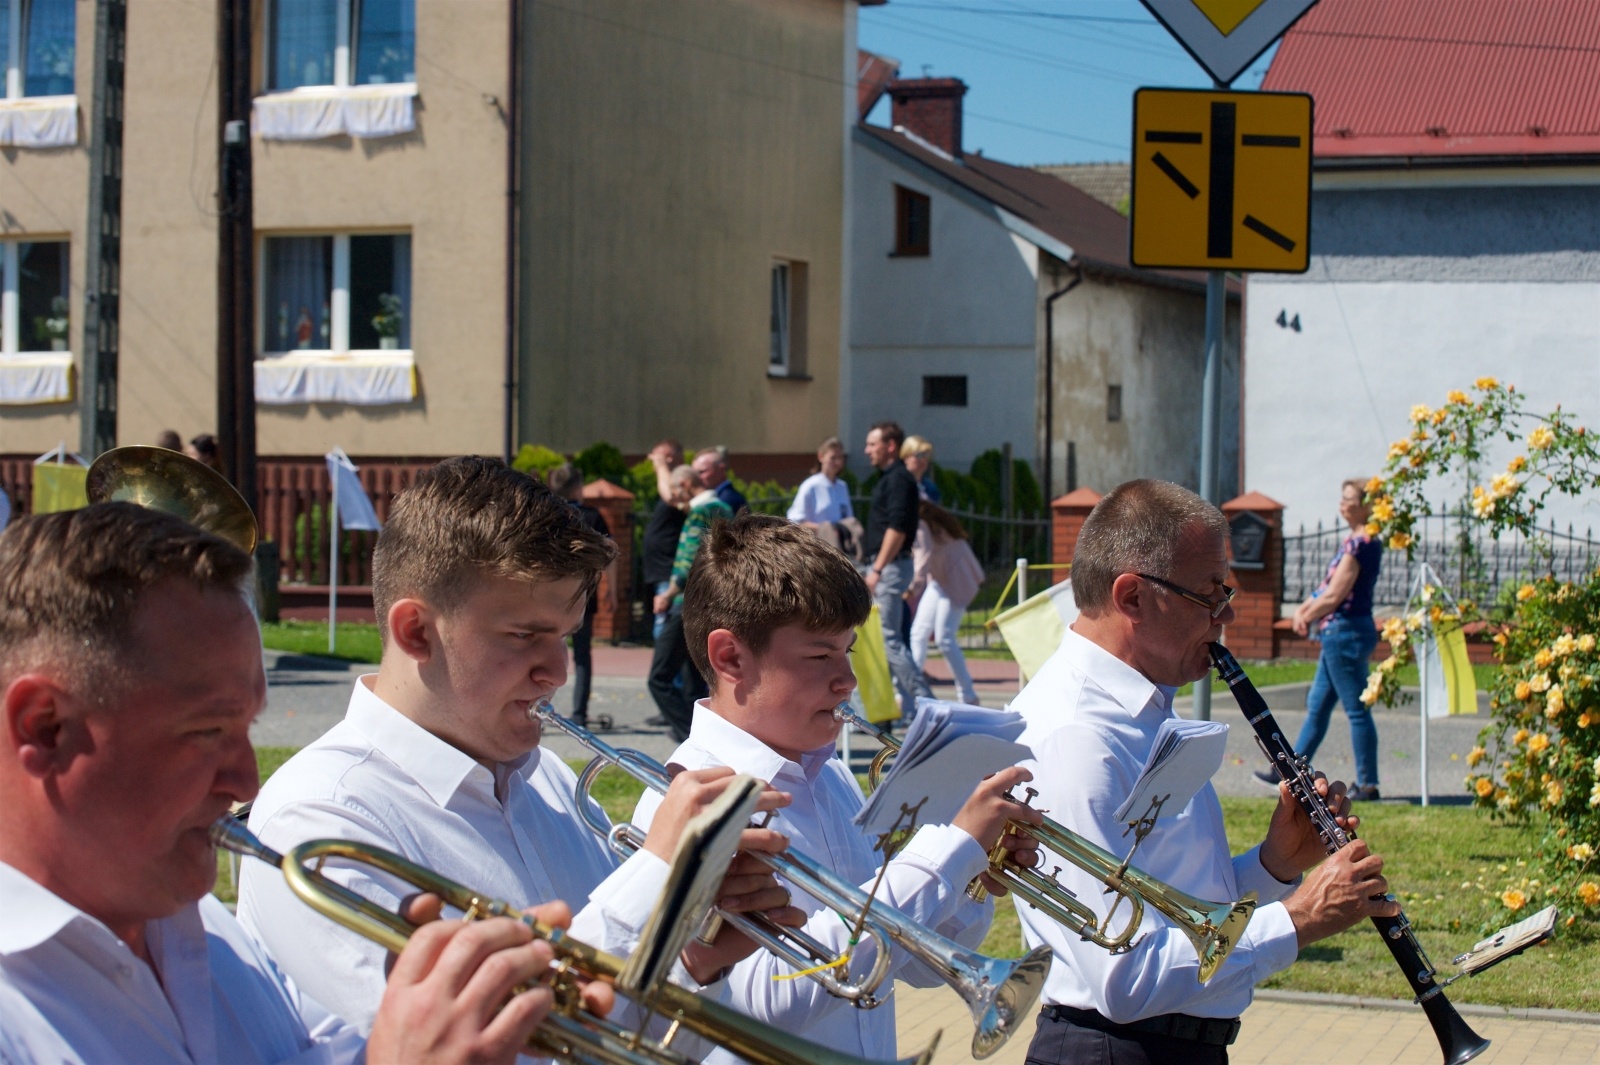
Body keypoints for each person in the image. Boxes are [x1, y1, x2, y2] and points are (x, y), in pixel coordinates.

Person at [0, 502, 576, 1064]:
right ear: (45, 727)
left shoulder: (209, 936)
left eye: (246, 727)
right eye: (206, 731)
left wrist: (449, 1014)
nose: (245, 779)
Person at [238, 457, 800, 1033]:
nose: (556, 672)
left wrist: (690, 957)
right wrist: (657, 875)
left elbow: (622, 1035)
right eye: (525, 637)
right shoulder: (320, 820)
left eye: (565, 638)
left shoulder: (547, 778)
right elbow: (474, 1047)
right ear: (416, 632)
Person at [1009, 479, 1400, 1065]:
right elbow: (1124, 977)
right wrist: (1299, 919)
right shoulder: (1076, 737)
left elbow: (1183, 911)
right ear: (1133, 597)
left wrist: (1275, 865)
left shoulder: (1141, 710)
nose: (1228, 612)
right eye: (1210, 593)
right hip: (1112, 1051)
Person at [632, 514, 1042, 1060]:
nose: (847, 681)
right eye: (820, 655)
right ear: (730, 657)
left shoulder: (832, 778)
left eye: (847, 652)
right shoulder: (683, 803)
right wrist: (949, 850)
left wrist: (969, 876)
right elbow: (766, 995)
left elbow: (915, 965)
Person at [1256, 478, 1385, 800]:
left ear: (1367, 505)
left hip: (1346, 632)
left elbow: (1335, 596)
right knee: (1317, 706)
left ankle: (1368, 784)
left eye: (1350, 499)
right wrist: (1305, 608)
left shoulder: (1362, 543)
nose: (1342, 504)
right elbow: (1326, 591)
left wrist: (1306, 614)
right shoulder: (1354, 541)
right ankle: (1288, 773)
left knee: (1356, 709)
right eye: (1342, 498)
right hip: (1340, 632)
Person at [647, 468, 734, 741]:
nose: (676, 501)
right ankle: (706, 734)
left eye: (675, 493)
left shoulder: (700, 511)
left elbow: (690, 560)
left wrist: (668, 593)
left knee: (659, 677)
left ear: (685, 484)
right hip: (712, 605)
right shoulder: (724, 508)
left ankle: (691, 736)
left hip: (687, 604)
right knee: (695, 679)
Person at [862, 421, 931, 714]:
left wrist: (877, 569)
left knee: (889, 639)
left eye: (872, 444)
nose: (867, 451)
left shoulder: (899, 479)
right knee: (890, 638)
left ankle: (927, 705)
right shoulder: (894, 478)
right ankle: (916, 706)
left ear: (890, 446)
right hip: (889, 565)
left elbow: (897, 528)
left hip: (889, 566)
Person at [547, 463, 615, 729]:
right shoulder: (592, 516)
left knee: (541, 652)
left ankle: (540, 708)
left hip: (550, 596)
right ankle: (579, 713)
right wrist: (612, 590)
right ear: (578, 486)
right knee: (583, 656)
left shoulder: (551, 514)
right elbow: (610, 549)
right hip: (584, 596)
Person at [908, 502, 985, 705]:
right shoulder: (927, 520)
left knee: (944, 638)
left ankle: (967, 694)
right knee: (919, 633)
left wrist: (912, 589)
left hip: (955, 580)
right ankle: (914, 691)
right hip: (942, 580)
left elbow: (922, 558)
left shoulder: (921, 524)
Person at [643, 440, 689, 642]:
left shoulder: (682, 487)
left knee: (666, 635)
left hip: (669, 571)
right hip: (659, 571)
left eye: (657, 458)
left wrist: (662, 466)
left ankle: (669, 676)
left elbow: (671, 495)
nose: (653, 463)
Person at [787, 436, 853, 528]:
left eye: (840, 458)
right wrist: (824, 529)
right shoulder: (810, 485)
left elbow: (848, 517)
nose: (837, 462)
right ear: (821, 457)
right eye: (833, 458)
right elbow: (795, 520)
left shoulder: (842, 486)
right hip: (818, 540)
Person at [692, 446, 749, 515]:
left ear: (721, 469)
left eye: (702, 472)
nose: (697, 478)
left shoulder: (726, 500)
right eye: (695, 473)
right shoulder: (718, 497)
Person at [899, 435, 940, 503]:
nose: (923, 460)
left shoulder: (931, 488)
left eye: (926, 455)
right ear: (906, 457)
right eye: (919, 455)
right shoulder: (896, 482)